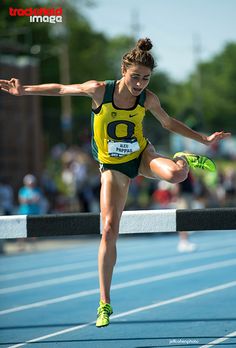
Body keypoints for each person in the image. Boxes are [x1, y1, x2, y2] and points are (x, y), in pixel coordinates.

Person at [0, 38, 230, 327]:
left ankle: (182, 158)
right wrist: (24, 90)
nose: (139, 84)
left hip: (141, 155)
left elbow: (169, 123)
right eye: (135, 77)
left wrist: (204, 140)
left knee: (176, 175)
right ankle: (105, 303)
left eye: (145, 79)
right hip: (111, 165)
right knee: (109, 229)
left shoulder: (148, 99)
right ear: (123, 70)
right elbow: (61, 89)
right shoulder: (99, 89)